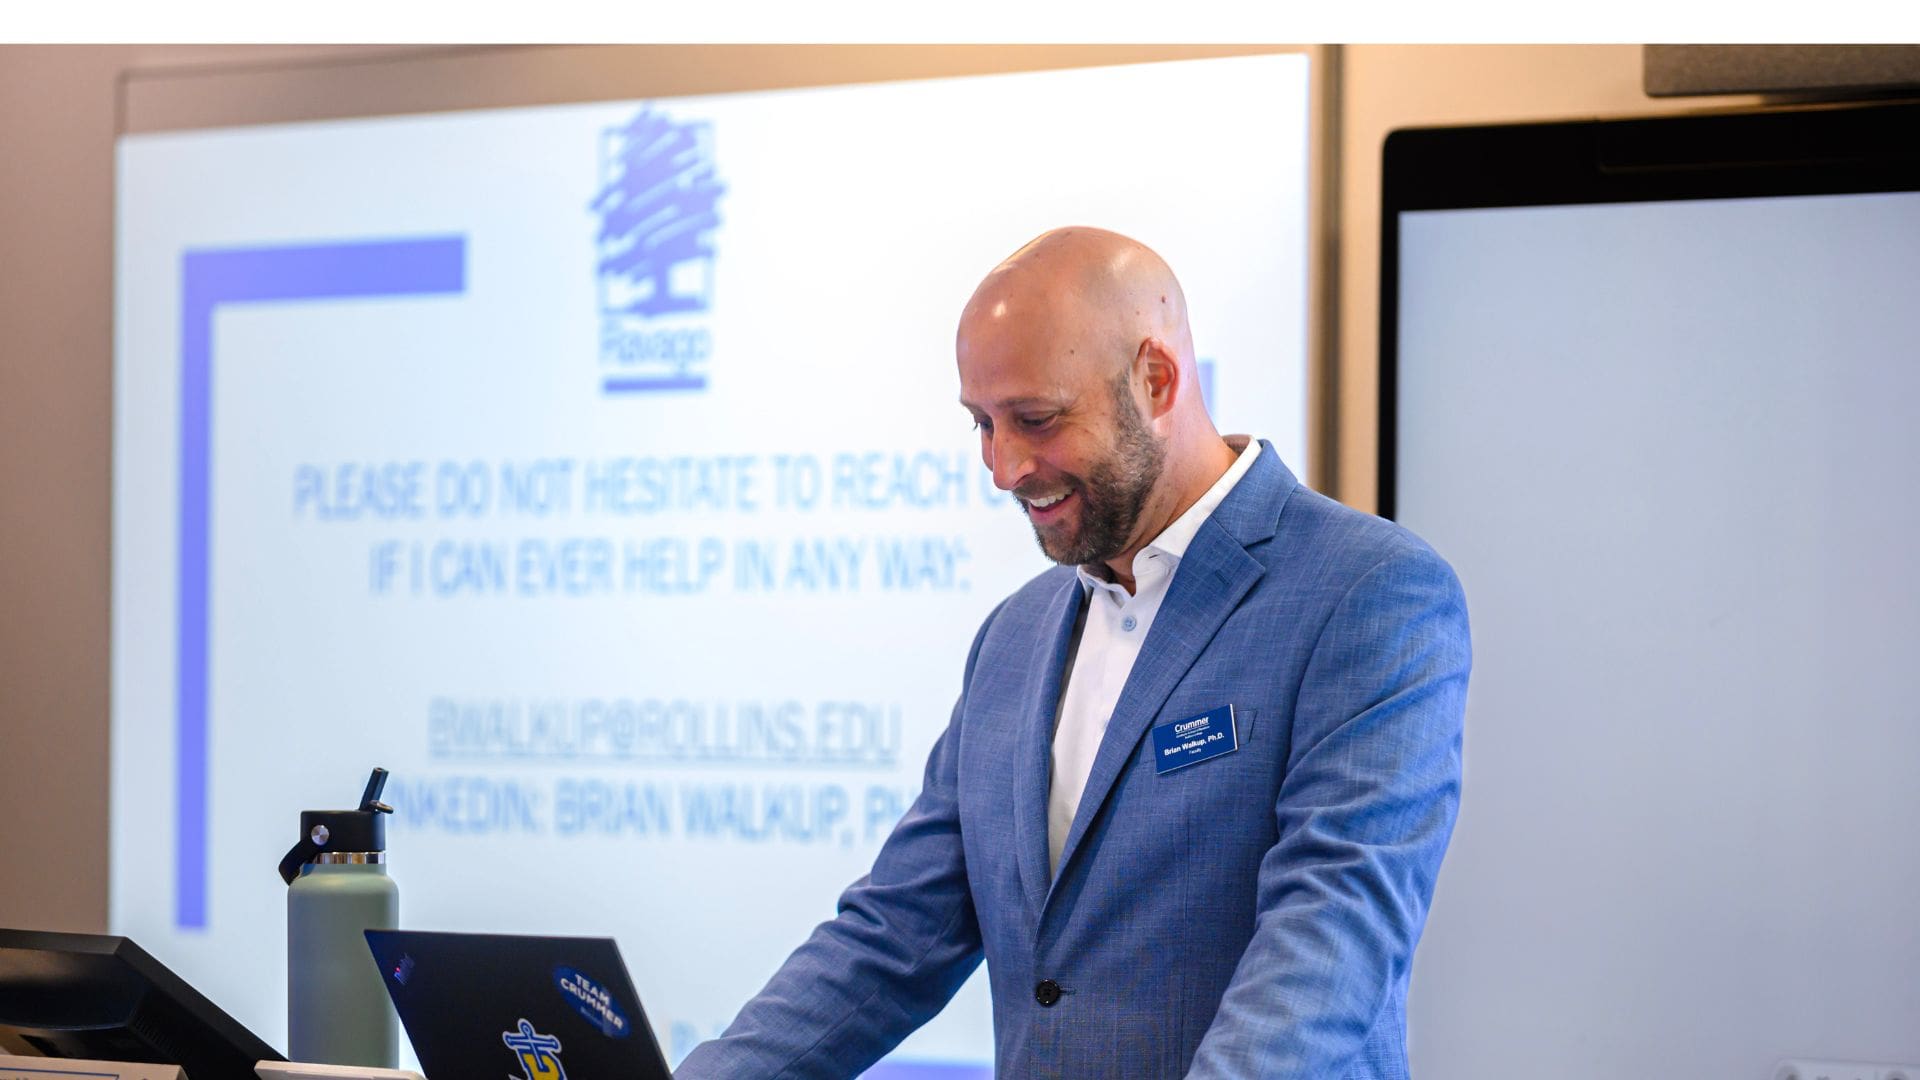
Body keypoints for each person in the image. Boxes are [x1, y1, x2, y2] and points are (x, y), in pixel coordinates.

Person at [675, 227, 1471, 1078]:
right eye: (982, 424)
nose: (1004, 467)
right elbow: (894, 935)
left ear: (1156, 380)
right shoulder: (1014, 637)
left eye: (1037, 420)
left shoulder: (1369, 592)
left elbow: (1329, 946)